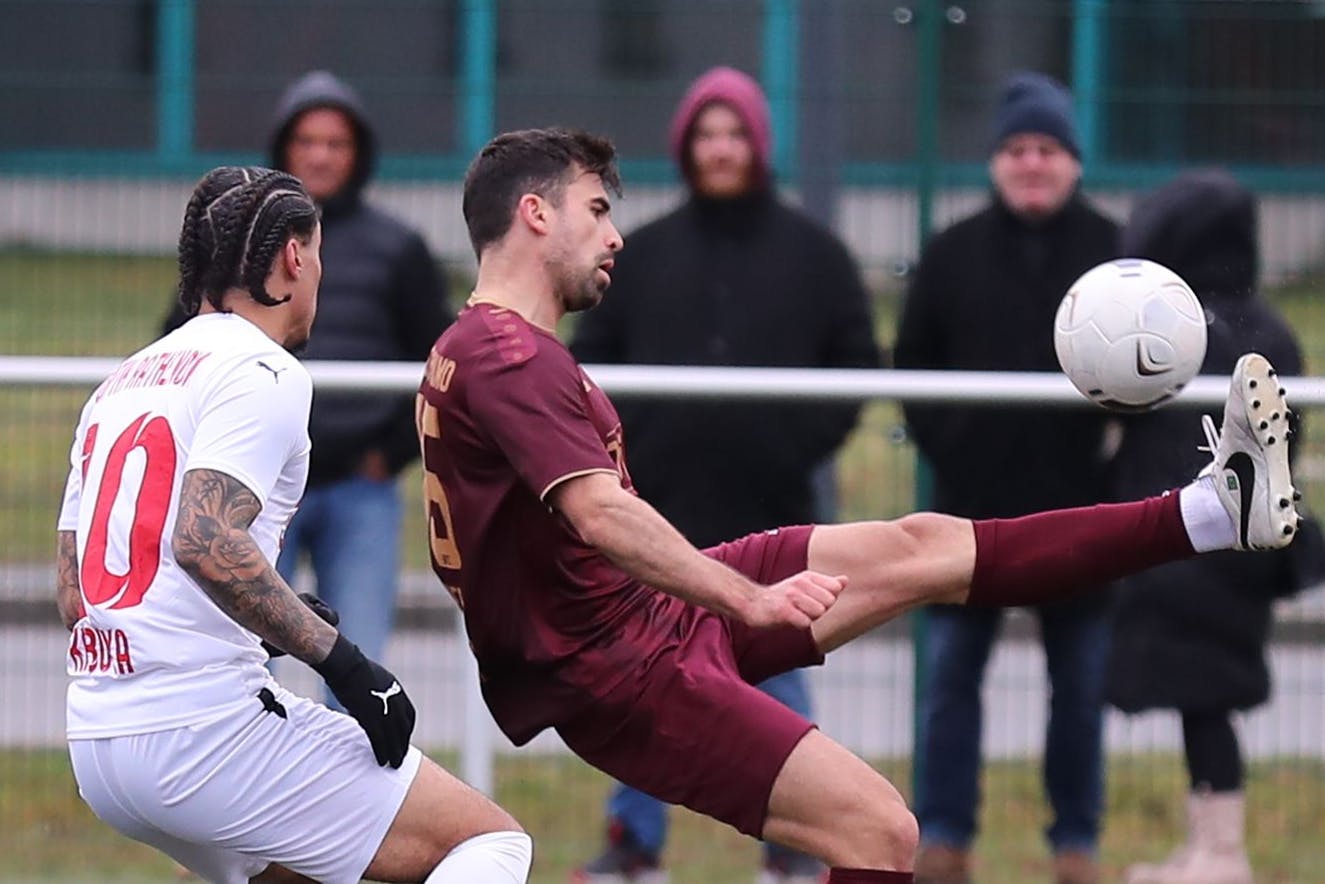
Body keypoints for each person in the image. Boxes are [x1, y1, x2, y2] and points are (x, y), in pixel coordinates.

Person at [415, 125, 1299, 884]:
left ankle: (1214, 510)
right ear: (535, 214)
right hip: (622, 672)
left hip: (646, 622)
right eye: (596, 209)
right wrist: (745, 599)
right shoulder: (507, 355)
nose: (614, 235)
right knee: (878, 830)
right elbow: (601, 515)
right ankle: (1212, 512)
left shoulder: (485, 346)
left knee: (924, 545)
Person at [59, 166, 531, 884]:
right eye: (318, 254)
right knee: (489, 843)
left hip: (99, 741)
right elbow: (204, 541)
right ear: (293, 256)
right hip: (202, 735)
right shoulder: (262, 369)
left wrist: (270, 616)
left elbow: (77, 595)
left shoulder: (120, 383)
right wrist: (346, 664)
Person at [568, 66, 881, 884]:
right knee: (644, 676)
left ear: (758, 145)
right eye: (706, 134)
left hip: (771, 504)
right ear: (685, 147)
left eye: (734, 134)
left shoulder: (814, 256)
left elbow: (855, 361)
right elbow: (589, 367)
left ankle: (796, 850)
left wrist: (790, 446)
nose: (720, 149)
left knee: (774, 670)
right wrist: (634, 452)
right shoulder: (640, 254)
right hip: (658, 510)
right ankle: (633, 846)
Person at [893, 71, 1121, 884]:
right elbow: (912, 367)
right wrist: (957, 450)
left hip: (1082, 519)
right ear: (995, 160)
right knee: (950, 683)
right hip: (969, 516)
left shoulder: (1115, 255)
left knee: (1081, 689)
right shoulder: (951, 253)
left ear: (1073, 161)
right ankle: (943, 838)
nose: (1031, 163)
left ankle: (1075, 846)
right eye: (1017, 148)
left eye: (1047, 148)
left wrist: (1110, 465)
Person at [162, 71, 451, 671]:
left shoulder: (399, 247)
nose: (320, 155)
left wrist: (389, 454)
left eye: (336, 143)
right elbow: (182, 341)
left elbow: (439, 361)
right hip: (253, 482)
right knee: (240, 660)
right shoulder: (236, 246)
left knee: (357, 666)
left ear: (359, 153)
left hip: (359, 485)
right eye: (307, 141)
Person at [1106, 169, 1321, 884]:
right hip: (1236, 543)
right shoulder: (1267, 328)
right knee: (1202, 701)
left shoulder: (1181, 329)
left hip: (1195, 541)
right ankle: (1207, 844)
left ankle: (1222, 853)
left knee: (1204, 701)